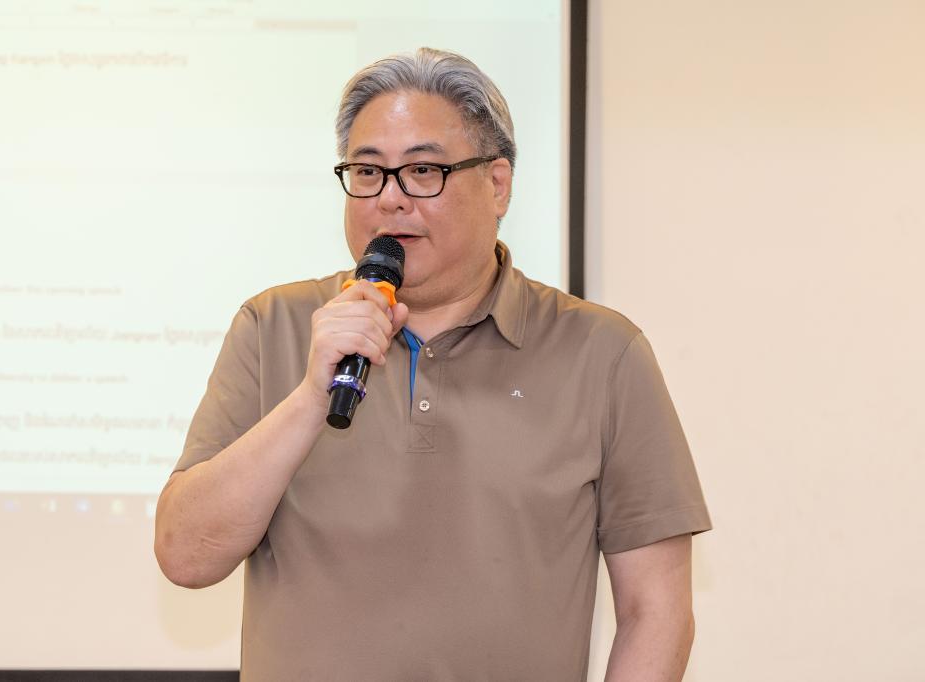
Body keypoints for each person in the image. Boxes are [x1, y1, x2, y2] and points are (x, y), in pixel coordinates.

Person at [155, 47, 711, 681]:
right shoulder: (272, 327)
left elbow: (656, 611)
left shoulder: (604, 353)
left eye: (423, 171)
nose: (390, 199)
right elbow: (186, 556)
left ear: (497, 184)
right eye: (367, 172)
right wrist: (311, 396)